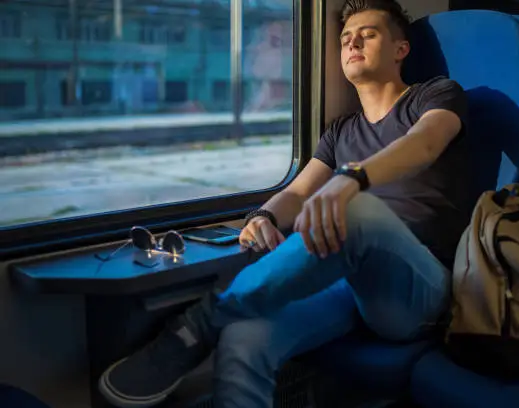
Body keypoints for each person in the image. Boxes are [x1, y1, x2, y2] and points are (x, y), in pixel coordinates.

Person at [98, 0, 472, 407]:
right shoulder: (340, 132)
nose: (353, 43)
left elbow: (426, 143)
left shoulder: (434, 95)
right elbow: (297, 191)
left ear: (401, 49)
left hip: (418, 288)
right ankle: (217, 325)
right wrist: (262, 216)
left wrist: (352, 178)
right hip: (347, 286)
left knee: (355, 210)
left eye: (368, 34)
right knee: (244, 340)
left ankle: (201, 321)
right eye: (346, 38)